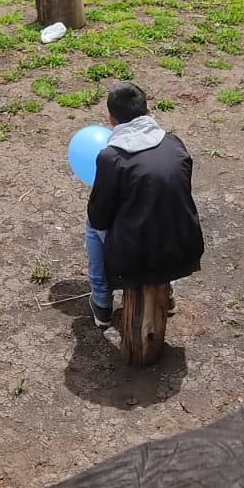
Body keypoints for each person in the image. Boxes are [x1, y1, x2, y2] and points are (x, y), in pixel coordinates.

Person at [85, 82, 203, 329]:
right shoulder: (174, 144)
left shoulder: (111, 158)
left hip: (134, 257)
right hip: (184, 247)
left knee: (91, 227)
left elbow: (99, 218)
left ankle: (102, 301)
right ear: (147, 111)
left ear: (111, 118)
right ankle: (168, 291)